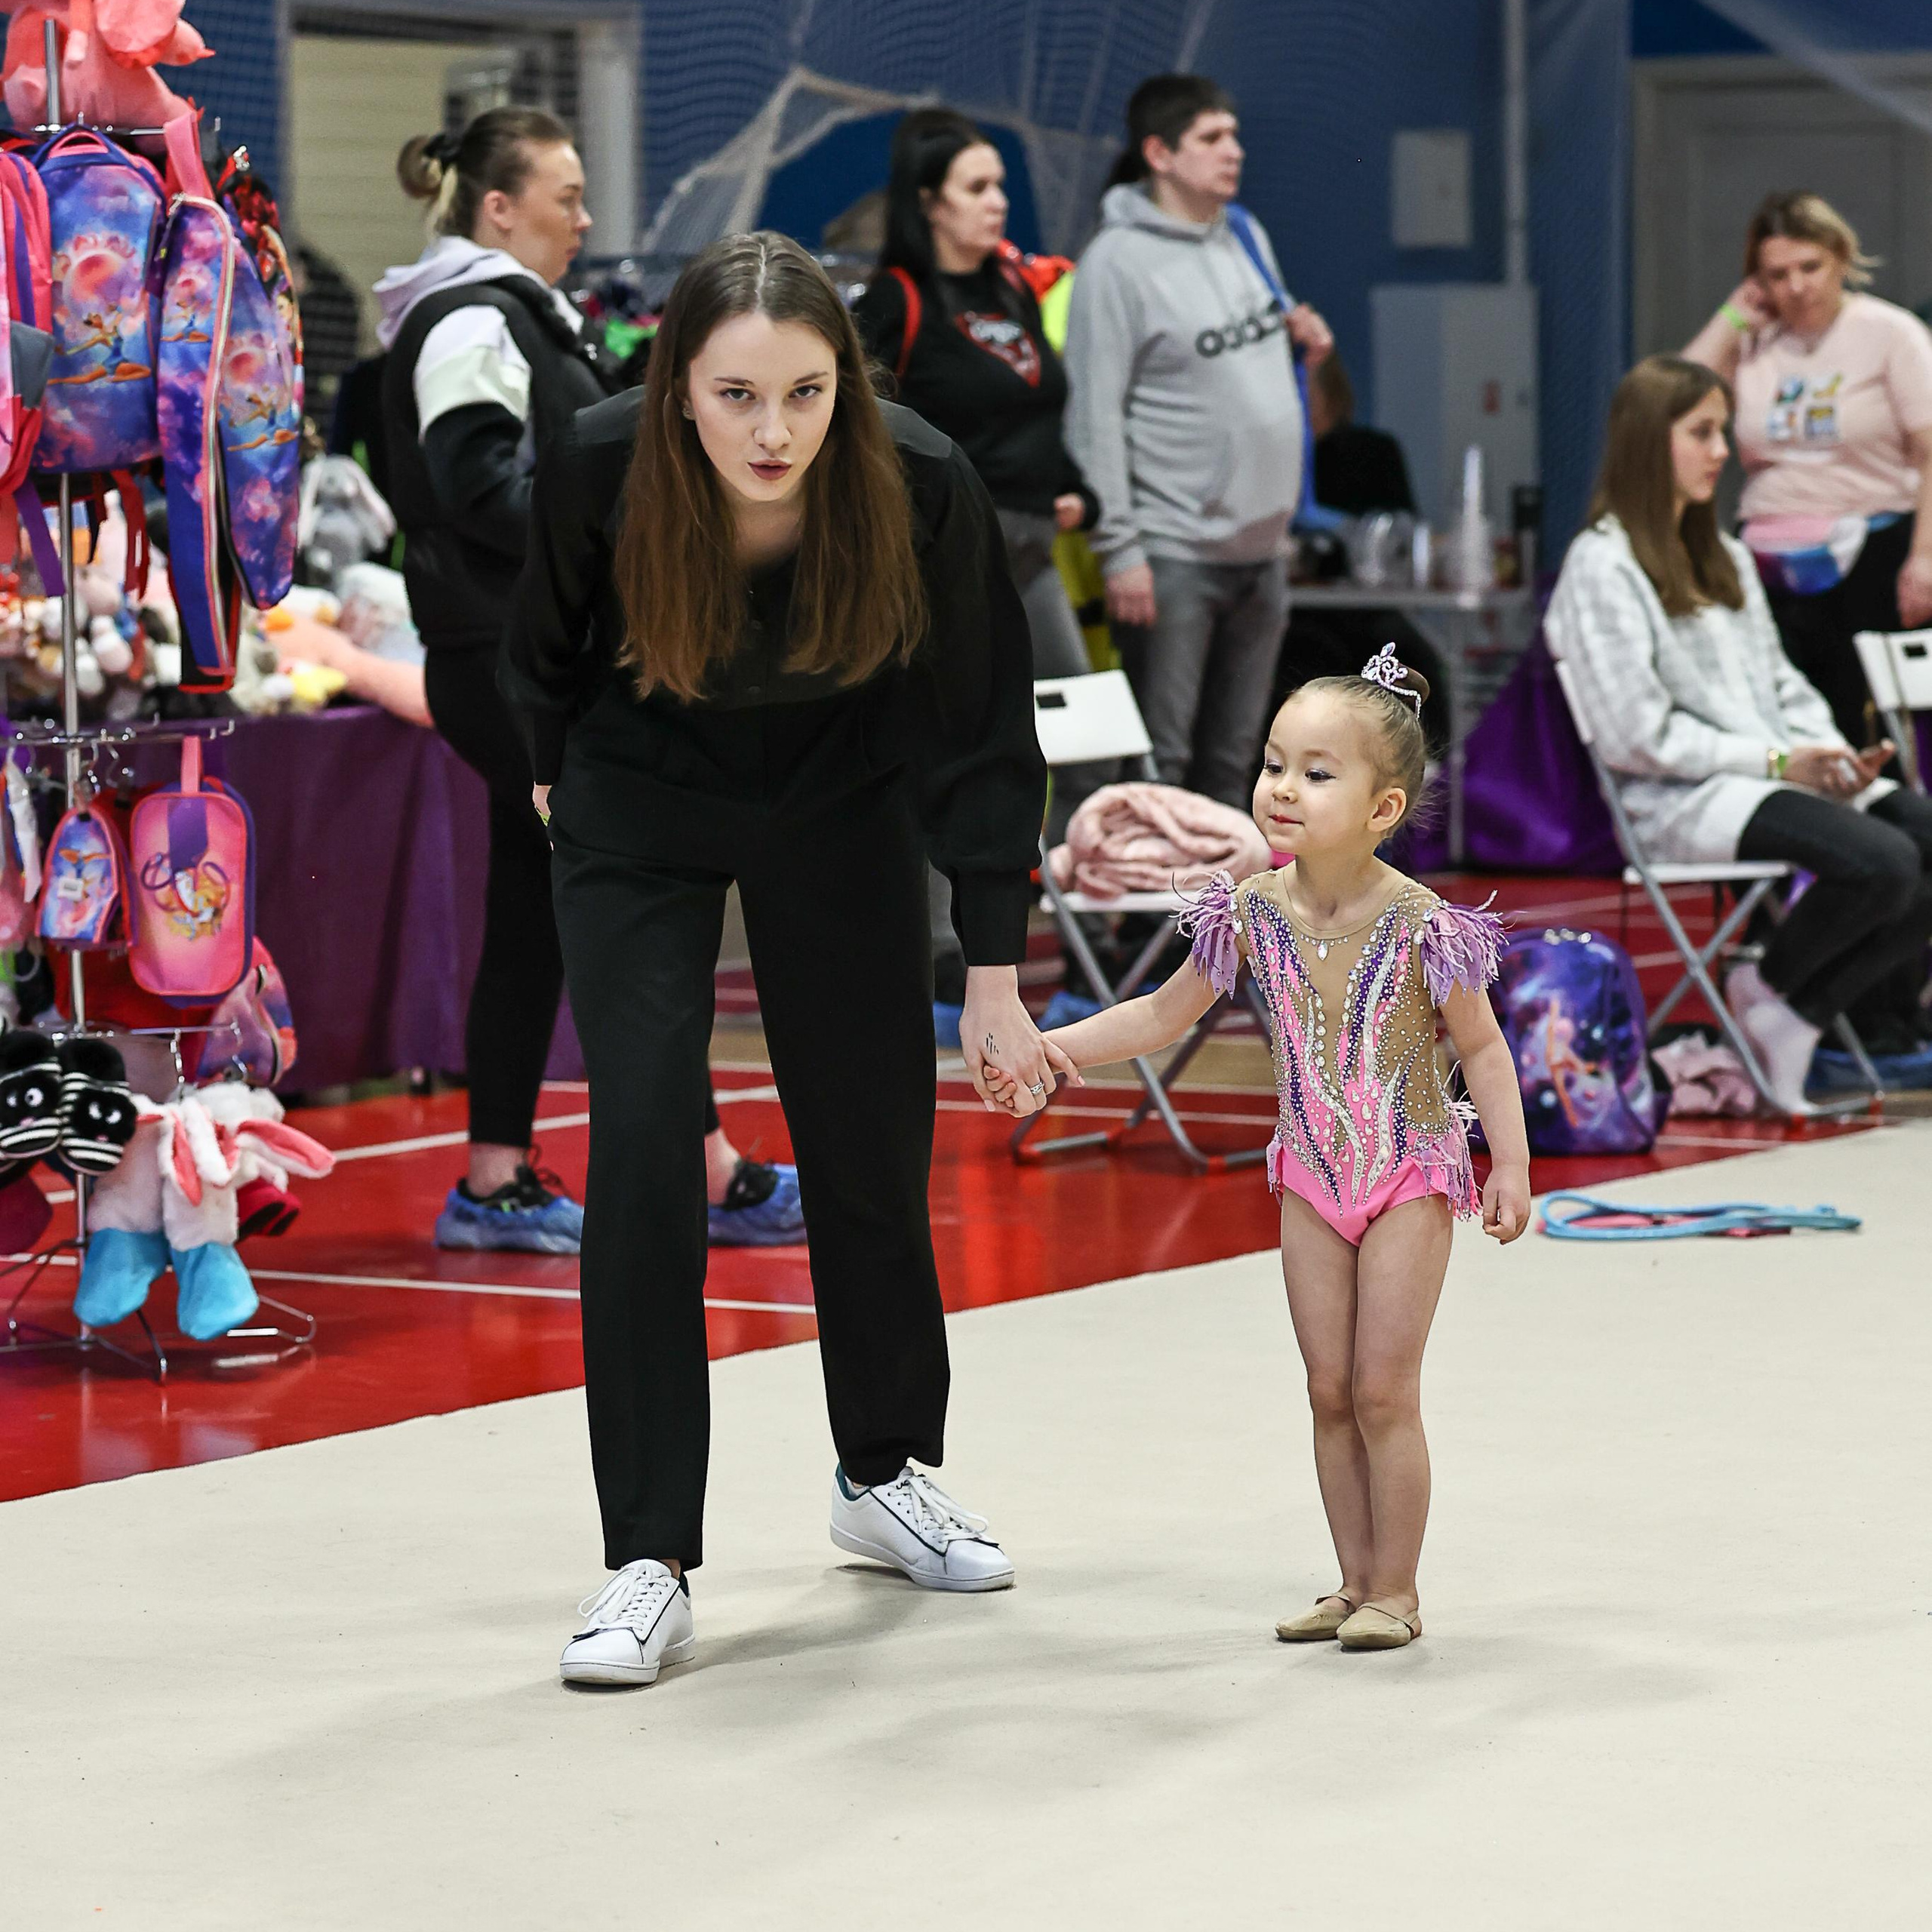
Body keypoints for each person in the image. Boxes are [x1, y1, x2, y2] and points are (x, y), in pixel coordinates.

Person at [503, 231, 1072, 1686]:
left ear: (846, 387)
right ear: (677, 388)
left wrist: (992, 972)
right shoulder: (597, 462)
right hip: (639, 799)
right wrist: (555, 781)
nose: (774, 432)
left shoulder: (920, 478)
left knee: (870, 1135)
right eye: (737, 395)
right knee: (644, 1135)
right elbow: (541, 647)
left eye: (807, 394)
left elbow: (983, 726)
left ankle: (883, 1472)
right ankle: (647, 1554)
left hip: (842, 796)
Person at [1011, 648, 1531, 1651]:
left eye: (1316, 773)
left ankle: (1397, 1589)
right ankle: (1352, 1580)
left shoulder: (1422, 923)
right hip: (1309, 1179)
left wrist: (1505, 1163)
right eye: (1273, 763)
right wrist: (1052, 1047)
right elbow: (1160, 1014)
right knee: (1328, 1391)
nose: (1282, 787)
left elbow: (1482, 1048)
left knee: (1383, 1390)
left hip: (1407, 1173)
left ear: (1383, 808)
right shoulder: (1251, 909)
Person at [377, 109, 801, 1254]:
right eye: (564, 197)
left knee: (535, 911)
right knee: (634, 897)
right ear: (498, 208)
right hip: (506, 666)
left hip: (529, 658)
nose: (585, 218)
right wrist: (637, 534)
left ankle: (495, 1179)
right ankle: (704, 1170)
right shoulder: (470, 319)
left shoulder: (519, 317)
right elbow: (480, 492)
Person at [1546, 355, 1932, 1111]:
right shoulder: (1602, 564)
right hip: (1680, 798)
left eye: (1722, 432)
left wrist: (1831, 755)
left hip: (1770, 773)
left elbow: (1780, 681)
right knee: (1883, 861)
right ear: (1648, 441)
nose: (1722, 451)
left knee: (1923, 837)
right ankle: (1774, 987)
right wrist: (1781, 760)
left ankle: (1792, 1011)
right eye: (1702, 433)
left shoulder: (1723, 555)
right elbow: (1637, 737)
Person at [854, 108, 1100, 1012]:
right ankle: (939, 954)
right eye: (978, 187)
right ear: (929, 203)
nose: (998, 202)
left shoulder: (1012, 289)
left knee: (1088, 745)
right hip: (943, 567)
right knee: (947, 751)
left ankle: (1082, 939)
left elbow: (1036, 413)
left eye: (1000, 184)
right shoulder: (894, 301)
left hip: (1032, 555)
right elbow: (860, 426)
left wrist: (1074, 488)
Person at [1063, 73, 1332, 809]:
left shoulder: (1245, 234)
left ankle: (1217, 892)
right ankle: (1147, 892)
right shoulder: (1114, 264)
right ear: (1159, 153)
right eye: (1211, 138)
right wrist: (1120, 549)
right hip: (1174, 550)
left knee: (1237, 761)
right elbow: (1093, 418)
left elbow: (1249, 379)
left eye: (1234, 135)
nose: (1233, 151)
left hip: (1262, 551)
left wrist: (1303, 344)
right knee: (1162, 763)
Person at [1684, 191, 1932, 749]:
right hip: (1767, 556)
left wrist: (1926, 556)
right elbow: (1670, 404)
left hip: (1872, 550)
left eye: (1810, 267)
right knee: (1781, 729)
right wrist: (1731, 317)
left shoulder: (1890, 332)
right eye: (1777, 275)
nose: (1796, 287)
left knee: (1866, 729)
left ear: (1841, 257)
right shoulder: (1755, 341)